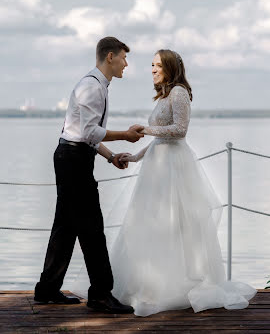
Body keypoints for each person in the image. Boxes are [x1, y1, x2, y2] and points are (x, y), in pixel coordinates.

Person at [72, 48, 257, 316]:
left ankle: (174, 286)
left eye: (157, 65)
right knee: (148, 224)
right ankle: (148, 285)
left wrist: (145, 129)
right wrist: (135, 157)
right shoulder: (165, 96)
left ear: (170, 67)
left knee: (174, 224)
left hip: (173, 169)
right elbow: (161, 138)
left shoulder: (180, 93)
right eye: (151, 65)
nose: (152, 69)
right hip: (156, 167)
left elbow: (179, 131)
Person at [34, 36, 145, 314]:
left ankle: (46, 289)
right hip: (72, 159)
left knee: (67, 226)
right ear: (110, 57)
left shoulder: (98, 86)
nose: (126, 64)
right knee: (92, 228)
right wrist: (126, 137)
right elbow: (87, 133)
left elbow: (88, 136)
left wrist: (110, 157)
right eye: (123, 57)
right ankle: (100, 295)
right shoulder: (91, 87)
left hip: (74, 156)